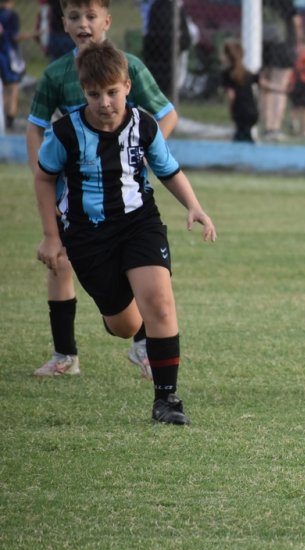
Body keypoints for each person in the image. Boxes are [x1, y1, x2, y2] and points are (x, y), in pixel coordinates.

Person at [34, 40, 216, 424]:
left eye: (112, 92)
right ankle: (122, 319)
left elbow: (167, 169)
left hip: (139, 223)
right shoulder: (65, 132)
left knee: (161, 304)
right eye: (94, 94)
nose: (104, 102)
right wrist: (52, 235)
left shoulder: (144, 125)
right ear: (83, 93)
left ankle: (166, 400)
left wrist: (195, 206)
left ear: (127, 87)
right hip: (87, 235)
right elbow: (44, 176)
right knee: (125, 325)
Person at [26, 0, 179, 378]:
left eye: (91, 16)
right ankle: (65, 355)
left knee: (140, 267)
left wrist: (139, 156)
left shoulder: (128, 66)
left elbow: (166, 115)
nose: (83, 24)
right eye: (75, 17)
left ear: (106, 21)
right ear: (63, 23)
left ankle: (144, 344)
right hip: (70, 194)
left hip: (125, 198)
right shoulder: (57, 73)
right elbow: (35, 126)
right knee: (58, 260)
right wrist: (41, 175)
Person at [260, 0, 301, 141]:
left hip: (263, 43)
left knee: (265, 83)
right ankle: (274, 127)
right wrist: (298, 42)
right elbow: (296, 21)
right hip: (283, 44)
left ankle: (266, 125)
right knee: (280, 84)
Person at [141, 0, 192, 97]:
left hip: (166, 57)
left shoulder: (174, 7)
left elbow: (186, 39)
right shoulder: (157, 6)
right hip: (160, 57)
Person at [0, 0, 37, 131]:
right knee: (12, 90)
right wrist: (33, 34)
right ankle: (9, 121)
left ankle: (3, 120)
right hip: (8, 56)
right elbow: (15, 37)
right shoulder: (11, 16)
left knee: (3, 90)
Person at [221, 37, 259, 143]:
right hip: (252, 111)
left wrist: (230, 110)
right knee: (245, 135)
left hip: (240, 111)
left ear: (228, 56)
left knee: (239, 137)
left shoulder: (227, 74)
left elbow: (231, 95)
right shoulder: (247, 72)